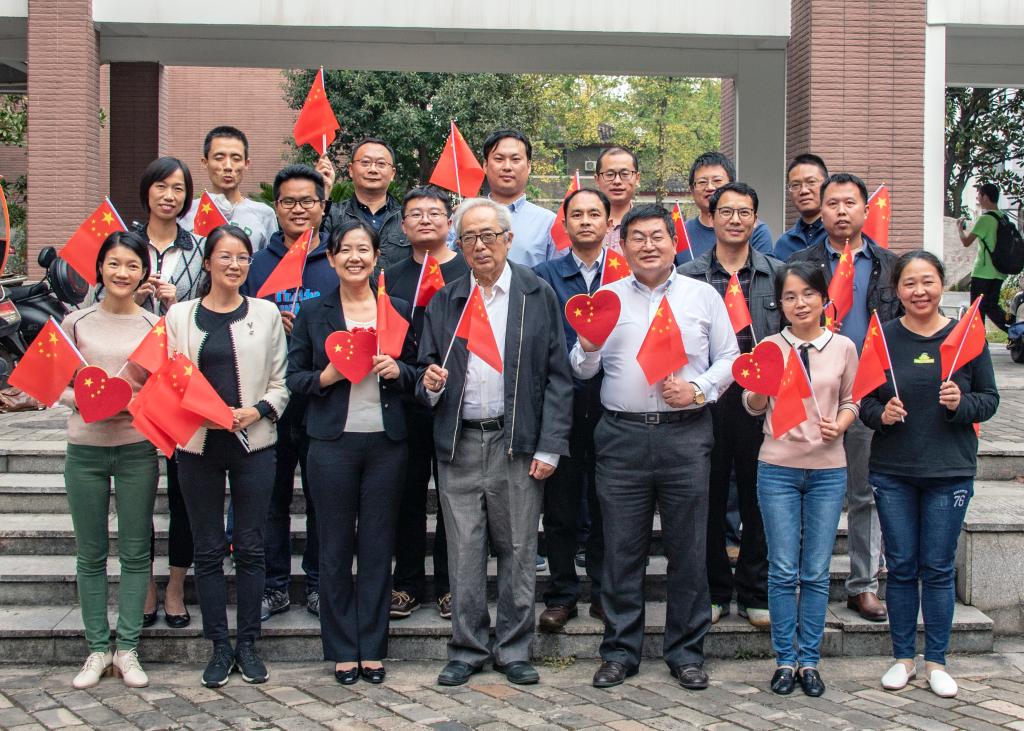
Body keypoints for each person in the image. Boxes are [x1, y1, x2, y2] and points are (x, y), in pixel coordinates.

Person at [572, 204, 739, 690]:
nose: (648, 246)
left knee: (689, 549)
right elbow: (581, 368)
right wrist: (588, 346)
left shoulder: (702, 295)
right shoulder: (606, 297)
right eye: (638, 237)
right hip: (621, 436)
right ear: (622, 246)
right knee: (621, 550)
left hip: (685, 434)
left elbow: (730, 357)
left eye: (657, 236)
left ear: (674, 242)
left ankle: (686, 652)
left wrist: (699, 389)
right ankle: (620, 651)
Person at [418, 197, 573, 687]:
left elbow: (559, 377)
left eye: (489, 235)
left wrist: (549, 445)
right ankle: (466, 648)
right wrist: (430, 383)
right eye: (469, 237)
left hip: (516, 440)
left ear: (508, 238)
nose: (480, 245)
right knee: (463, 552)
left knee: (519, 548)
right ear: (459, 245)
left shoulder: (536, 293)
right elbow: (424, 366)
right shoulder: (447, 298)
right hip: (460, 442)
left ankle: (513, 648)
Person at [861, 251, 999, 699]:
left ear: (941, 284)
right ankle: (903, 658)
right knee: (901, 567)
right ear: (897, 290)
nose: (919, 291)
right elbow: (864, 403)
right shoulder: (883, 337)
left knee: (938, 568)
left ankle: (937, 660)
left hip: (949, 470)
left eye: (928, 281)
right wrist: (883, 414)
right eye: (909, 283)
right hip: (893, 471)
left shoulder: (966, 336)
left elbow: (989, 399)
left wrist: (962, 404)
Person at [287, 219, 417, 685]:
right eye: (345, 250)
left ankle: (373, 647)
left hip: (386, 444)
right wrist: (328, 376)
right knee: (335, 547)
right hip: (331, 444)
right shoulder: (313, 312)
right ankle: (343, 648)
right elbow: (294, 378)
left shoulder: (396, 309)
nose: (355, 257)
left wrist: (398, 371)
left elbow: (418, 371)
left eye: (364, 249)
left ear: (377, 257)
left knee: (379, 547)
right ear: (332, 257)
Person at [165, 225, 289, 688]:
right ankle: (219, 645)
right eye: (225, 256)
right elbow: (169, 379)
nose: (234, 265)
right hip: (197, 445)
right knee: (208, 548)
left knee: (252, 547)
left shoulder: (265, 312)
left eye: (242, 258)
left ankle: (249, 643)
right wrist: (198, 411)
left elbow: (281, 383)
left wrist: (255, 411)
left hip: (253, 442)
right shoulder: (179, 315)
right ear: (208, 262)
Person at [743, 261, 859, 698]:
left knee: (815, 570)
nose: (800, 303)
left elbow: (852, 400)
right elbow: (753, 406)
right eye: (790, 296)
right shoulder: (770, 346)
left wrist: (841, 424)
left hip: (828, 469)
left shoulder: (843, 346)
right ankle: (784, 661)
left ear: (824, 298)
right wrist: (759, 390)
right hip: (777, 467)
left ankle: (809, 660)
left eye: (808, 293)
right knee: (782, 568)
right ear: (780, 303)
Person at [98, 157, 204, 632]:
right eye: (161, 186)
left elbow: (209, 309)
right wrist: (132, 299)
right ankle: (142, 585)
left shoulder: (198, 249)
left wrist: (176, 304)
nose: (169, 196)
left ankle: (176, 585)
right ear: (146, 191)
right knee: (136, 493)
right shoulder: (124, 243)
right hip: (131, 384)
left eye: (178, 189)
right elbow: (94, 304)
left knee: (184, 492)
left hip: (178, 382)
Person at [790, 172, 900, 622]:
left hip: (868, 394)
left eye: (849, 203)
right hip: (812, 394)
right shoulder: (802, 262)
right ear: (821, 209)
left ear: (864, 210)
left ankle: (863, 585)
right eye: (832, 203)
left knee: (864, 493)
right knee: (803, 491)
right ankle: (800, 581)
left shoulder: (889, 265)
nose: (840, 211)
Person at [679, 182, 783, 628]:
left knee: (760, 498)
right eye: (726, 211)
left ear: (755, 219)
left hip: (761, 402)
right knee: (708, 497)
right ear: (712, 216)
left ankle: (755, 591)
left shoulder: (778, 274)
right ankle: (716, 590)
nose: (735, 219)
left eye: (744, 212)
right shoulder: (687, 275)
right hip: (707, 400)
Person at [61, 231, 162, 690]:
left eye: (132, 265)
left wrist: (133, 402)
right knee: (91, 553)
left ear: (144, 272)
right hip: (85, 449)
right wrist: (83, 401)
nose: (123, 273)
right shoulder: (76, 322)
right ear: (100, 268)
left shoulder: (153, 327)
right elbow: (57, 384)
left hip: (137, 447)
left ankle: (128, 649)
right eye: (114, 264)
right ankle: (98, 649)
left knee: (136, 551)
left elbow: (161, 388)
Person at [243, 164, 337, 622]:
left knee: (322, 499)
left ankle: (318, 584)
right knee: (270, 499)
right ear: (276, 207)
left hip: (323, 400)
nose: (299, 209)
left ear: (322, 205)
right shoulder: (257, 263)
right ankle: (275, 586)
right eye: (288, 202)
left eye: (307, 201)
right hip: (269, 403)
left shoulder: (337, 260)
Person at [384, 186, 469, 621]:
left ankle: (451, 586)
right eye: (415, 214)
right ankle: (408, 583)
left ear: (449, 223)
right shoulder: (390, 274)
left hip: (457, 398)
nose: (425, 220)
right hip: (404, 399)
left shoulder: (467, 271)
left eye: (434, 213)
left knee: (455, 497)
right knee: (407, 496)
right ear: (403, 226)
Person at [534, 187, 612, 630]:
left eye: (594, 214)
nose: (585, 221)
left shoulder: (623, 274)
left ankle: (603, 591)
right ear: (564, 224)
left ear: (608, 223)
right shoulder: (543, 276)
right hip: (559, 405)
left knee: (607, 504)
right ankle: (561, 594)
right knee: (560, 507)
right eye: (577, 215)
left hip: (611, 405)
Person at [180, 126, 278, 251]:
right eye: (219, 158)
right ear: (205, 162)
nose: (228, 166)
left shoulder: (264, 214)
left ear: (246, 164)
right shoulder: (186, 212)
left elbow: (270, 260)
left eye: (236, 159)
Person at [319, 137, 410, 270]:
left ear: (392, 173)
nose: (373, 169)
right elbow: (309, 243)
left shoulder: (408, 218)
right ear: (351, 170)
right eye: (365, 162)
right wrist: (322, 192)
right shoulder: (332, 214)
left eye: (381, 164)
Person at [480, 129, 562, 267]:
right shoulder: (466, 219)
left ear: (529, 166)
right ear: (486, 165)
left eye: (515, 159)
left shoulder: (549, 223)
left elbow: (558, 274)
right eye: (499, 159)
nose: (507, 167)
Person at [679, 152, 774, 261]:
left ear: (732, 185)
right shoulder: (681, 233)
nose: (710, 187)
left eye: (717, 181)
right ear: (692, 190)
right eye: (702, 182)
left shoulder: (754, 230)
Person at [958, 182, 1010, 332]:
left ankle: (978, 340)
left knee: (977, 309)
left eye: (979, 196)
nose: (978, 199)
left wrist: (959, 229)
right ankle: (1014, 329)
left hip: (983, 272)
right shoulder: (1003, 218)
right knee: (991, 306)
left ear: (985, 197)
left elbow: (966, 242)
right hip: (999, 271)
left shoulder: (985, 219)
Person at [774, 154, 829, 260]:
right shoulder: (783, 244)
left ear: (827, 185)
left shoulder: (838, 235)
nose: (804, 190)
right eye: (795, 185)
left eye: (811, 182)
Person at [593, 146, 639, 253]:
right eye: (609, 175)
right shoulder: (585, 225)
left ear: (637, 178)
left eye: (625, 174)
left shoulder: (647, 224)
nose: (617, 181)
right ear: (597, 179)